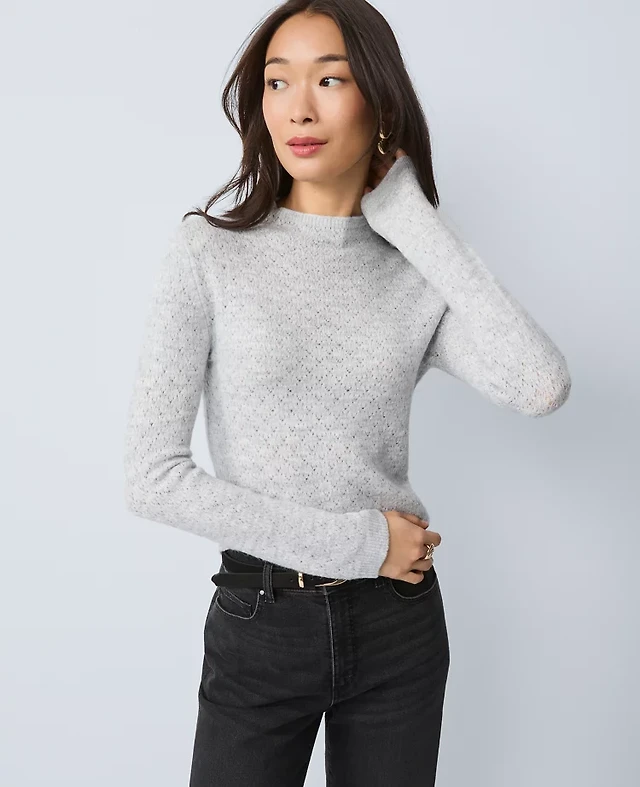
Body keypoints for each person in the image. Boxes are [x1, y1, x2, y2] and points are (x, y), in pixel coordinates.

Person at [123, 1, 572, 785]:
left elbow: (540, 384)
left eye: (330, 79)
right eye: (278, 82)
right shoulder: (209, 252)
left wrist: (412, 219)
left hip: (398, 624)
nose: (299, 108)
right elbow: (151, 478)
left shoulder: (412, 273)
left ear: (379, 99)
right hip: (261, 620)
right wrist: (362, 545)